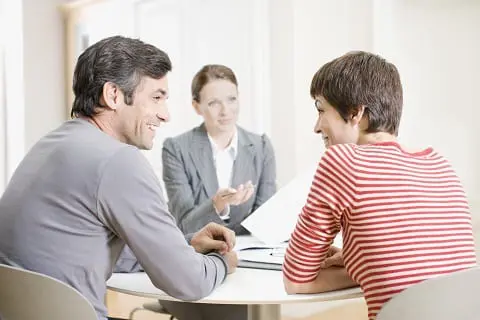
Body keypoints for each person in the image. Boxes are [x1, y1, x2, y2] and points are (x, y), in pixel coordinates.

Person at [0, 36, 238, 320]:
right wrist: (222, 261)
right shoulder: (119, 161)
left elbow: (89, 244)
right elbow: (189, 282)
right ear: (113, 95)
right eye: (156, 97)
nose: (166, 115)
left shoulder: (52, 144)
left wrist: (185, 247)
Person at [282, 51, 477, 320]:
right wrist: (361, 263)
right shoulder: (439, 163)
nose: (317, 126)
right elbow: (429, 268)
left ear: (356, 113)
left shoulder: (342, 160)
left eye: (321, 109)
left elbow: (296, 280)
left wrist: (355, 268)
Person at [162, 64, 277, 235]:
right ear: (196, 106)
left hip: (249, 254)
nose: (225, 111)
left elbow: (264, 219)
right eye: (214, 103)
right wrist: (217, 205)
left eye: (231, 99)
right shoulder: (176, 149)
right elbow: (185, 225)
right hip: (199, 254)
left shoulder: (262, 147)